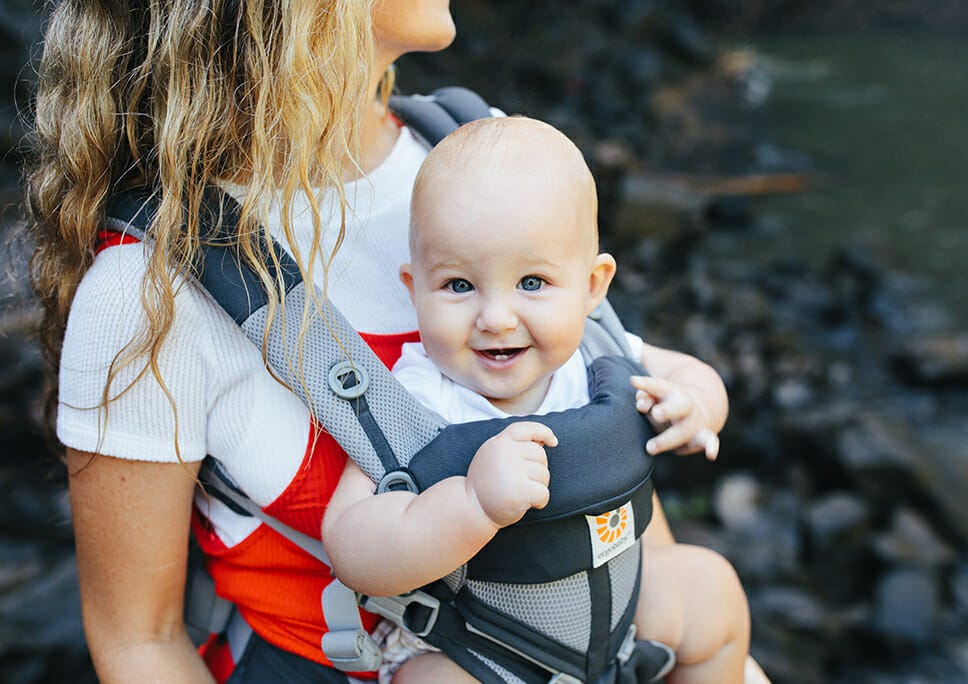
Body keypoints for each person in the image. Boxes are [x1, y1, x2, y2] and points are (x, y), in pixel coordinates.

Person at [25, 1, 743, 683]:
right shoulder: (148, 293)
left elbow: (614, 496)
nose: (497, 317)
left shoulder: (475, 156)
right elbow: (138, 643)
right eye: (460, 290)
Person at [322, 116, 751, 684]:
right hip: (482, 649)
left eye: (531, 283)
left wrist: (696, 405)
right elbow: (350, 544)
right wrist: (472, 505)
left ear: (593, 286)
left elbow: (694, 376)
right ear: (414, 289)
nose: (496, 318)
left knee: (709, 586)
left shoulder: (598, 351)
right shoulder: (417, 400)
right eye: (458, 286)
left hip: (617, 622)